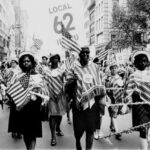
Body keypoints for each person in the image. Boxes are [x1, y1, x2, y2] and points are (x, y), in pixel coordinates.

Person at [65, 46, 106, 150]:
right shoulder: (74, 67)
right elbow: (67, 83)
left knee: (90, 130)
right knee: (78, 130)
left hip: (92, 103)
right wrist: (72, 81)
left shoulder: (95, 67)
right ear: (79, 55)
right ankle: (78, 142)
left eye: (87, 52)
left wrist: (101, 100)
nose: (85, 54)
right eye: (82, 53)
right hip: (78, 103)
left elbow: (99, 83)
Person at [7, 51, 48, 150]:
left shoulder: (38, 76)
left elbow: (45, 91)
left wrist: (43, 101)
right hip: (22, 107)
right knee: (26, 134)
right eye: (24, 61)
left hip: (34, 107)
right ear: (21, 63)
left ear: (32, 62)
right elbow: (11, 89)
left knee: (33, 134)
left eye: (28, 61)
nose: (26, 63)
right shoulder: (17, 75)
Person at [125, 50, 150, 150]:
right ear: (135, 63)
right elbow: (127, 92)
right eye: (140, 61)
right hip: (140, 106)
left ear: (147, 62)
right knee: (143, 129)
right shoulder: (133, 76)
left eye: (144, 60)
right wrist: (129, 99)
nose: (142, 63)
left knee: (147, 129)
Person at [44, 54, 67, 146]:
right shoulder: (46, 71)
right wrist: (48, 94)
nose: (55, 60)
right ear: (51, 60)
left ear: (58, 60)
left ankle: (58, 127)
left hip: (60, 96)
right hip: (51, 96)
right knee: (52, 115)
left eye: (57, 58)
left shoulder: (62, 70)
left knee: (59, 115)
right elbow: (44, 83)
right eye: (53, 58)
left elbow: (66, 81)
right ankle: (53, 136)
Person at [105, 62, 124, 140]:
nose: (114, 69)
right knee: (113, 115)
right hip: (111, 99)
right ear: (110, 70)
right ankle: (117, 132)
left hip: (119, 99)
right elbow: (106, 90)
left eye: (115, 68)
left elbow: (122, 88)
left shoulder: (120, 78)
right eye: (112, 68)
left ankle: (111, 126)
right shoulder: (108, 78)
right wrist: (107, 99)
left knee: (114, 115)